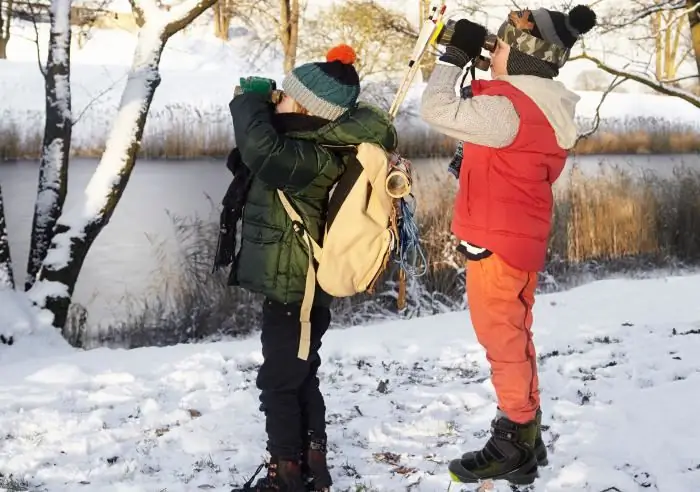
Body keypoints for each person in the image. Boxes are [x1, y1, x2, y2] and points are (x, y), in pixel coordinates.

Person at [419, 4, 597, 486]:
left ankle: (513, 439)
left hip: (497, 242)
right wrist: (480, 61)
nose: (490, 53)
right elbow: (488, 126)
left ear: (520, 58)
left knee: (502, 341)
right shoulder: (536, 102)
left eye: (498, 47)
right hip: (517, 237)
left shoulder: (508, 108)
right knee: (515, 336)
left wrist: (454, 56)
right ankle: (526, 432)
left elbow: (434, 108)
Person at [227, 45, 398, 492]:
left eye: (284, 95)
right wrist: (267, 106)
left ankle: (285, 473)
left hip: (296, 289)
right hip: (290, 284)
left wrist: (248, 99)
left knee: (279, 381)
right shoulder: (306, 145)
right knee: (300, 374)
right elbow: (255, 150)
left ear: (305, 107)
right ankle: (312, 464)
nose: (276, 99)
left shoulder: (313, 156)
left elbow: (258, 144)